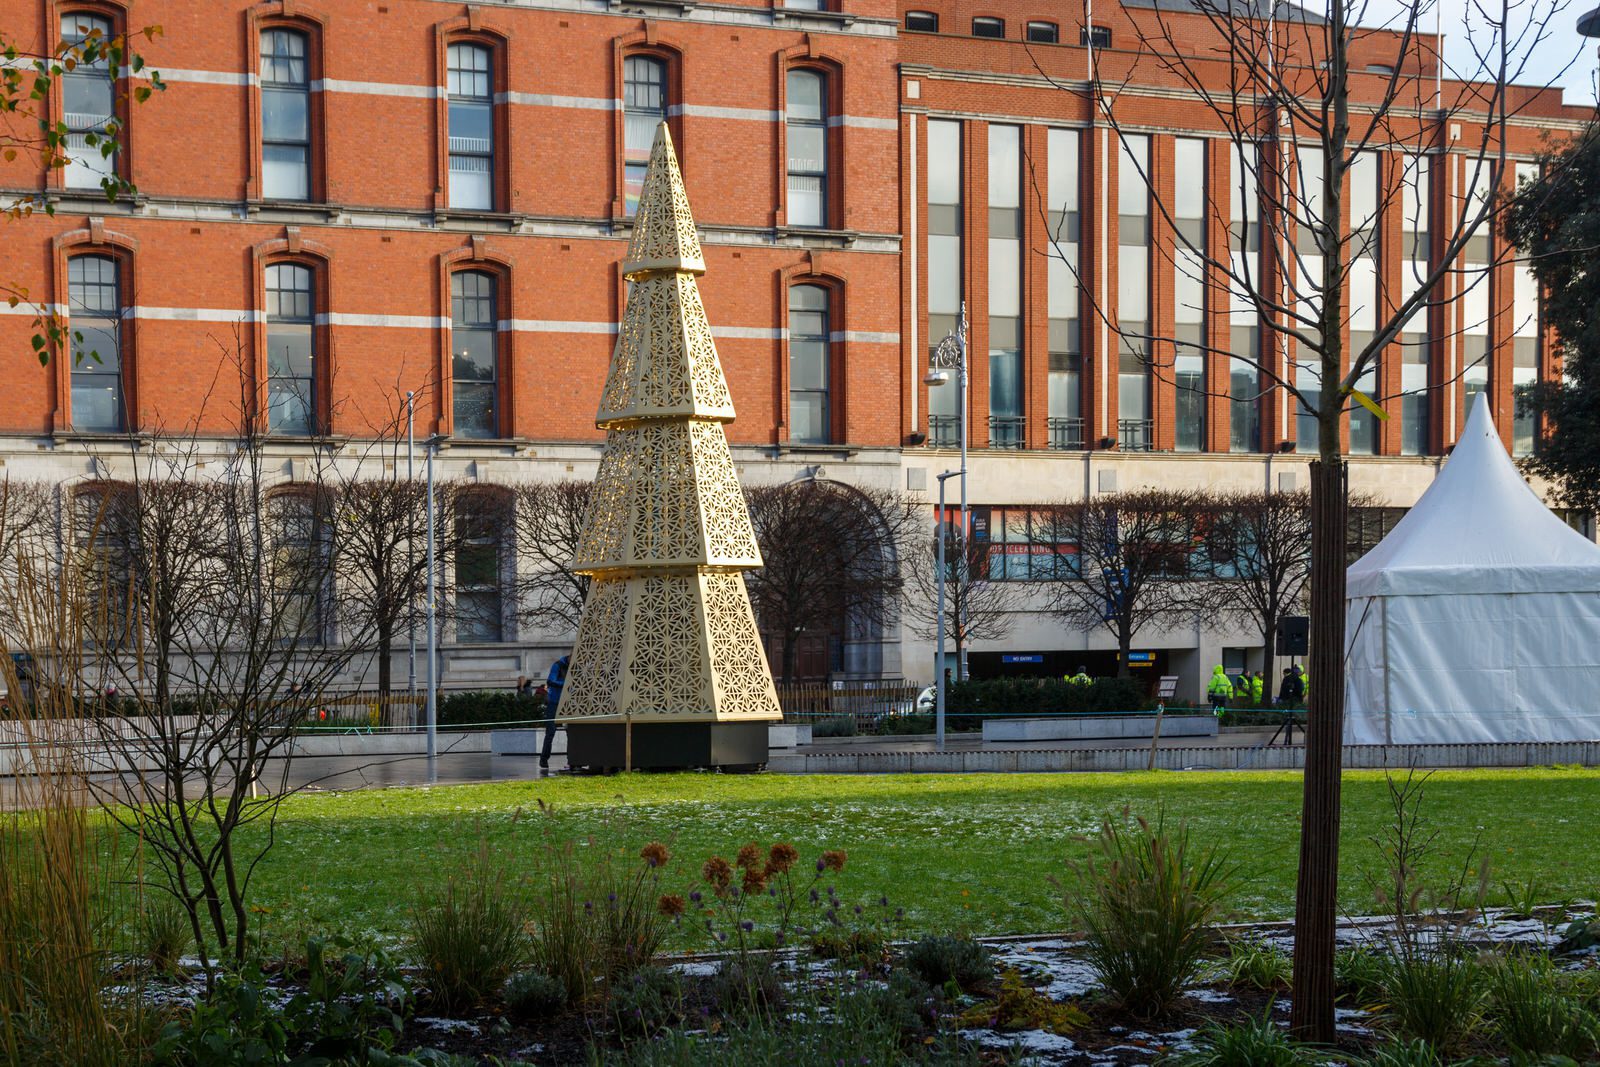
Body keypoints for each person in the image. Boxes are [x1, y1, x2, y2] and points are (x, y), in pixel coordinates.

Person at [541, 655, 569, 770]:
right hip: (554, 702)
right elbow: (550, 681)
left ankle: (571, 760)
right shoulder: (558, 665)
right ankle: (544, 759)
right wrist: (566, 683)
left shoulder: (575, 665)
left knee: (571, 732)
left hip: (567, 702)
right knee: (550, 732)